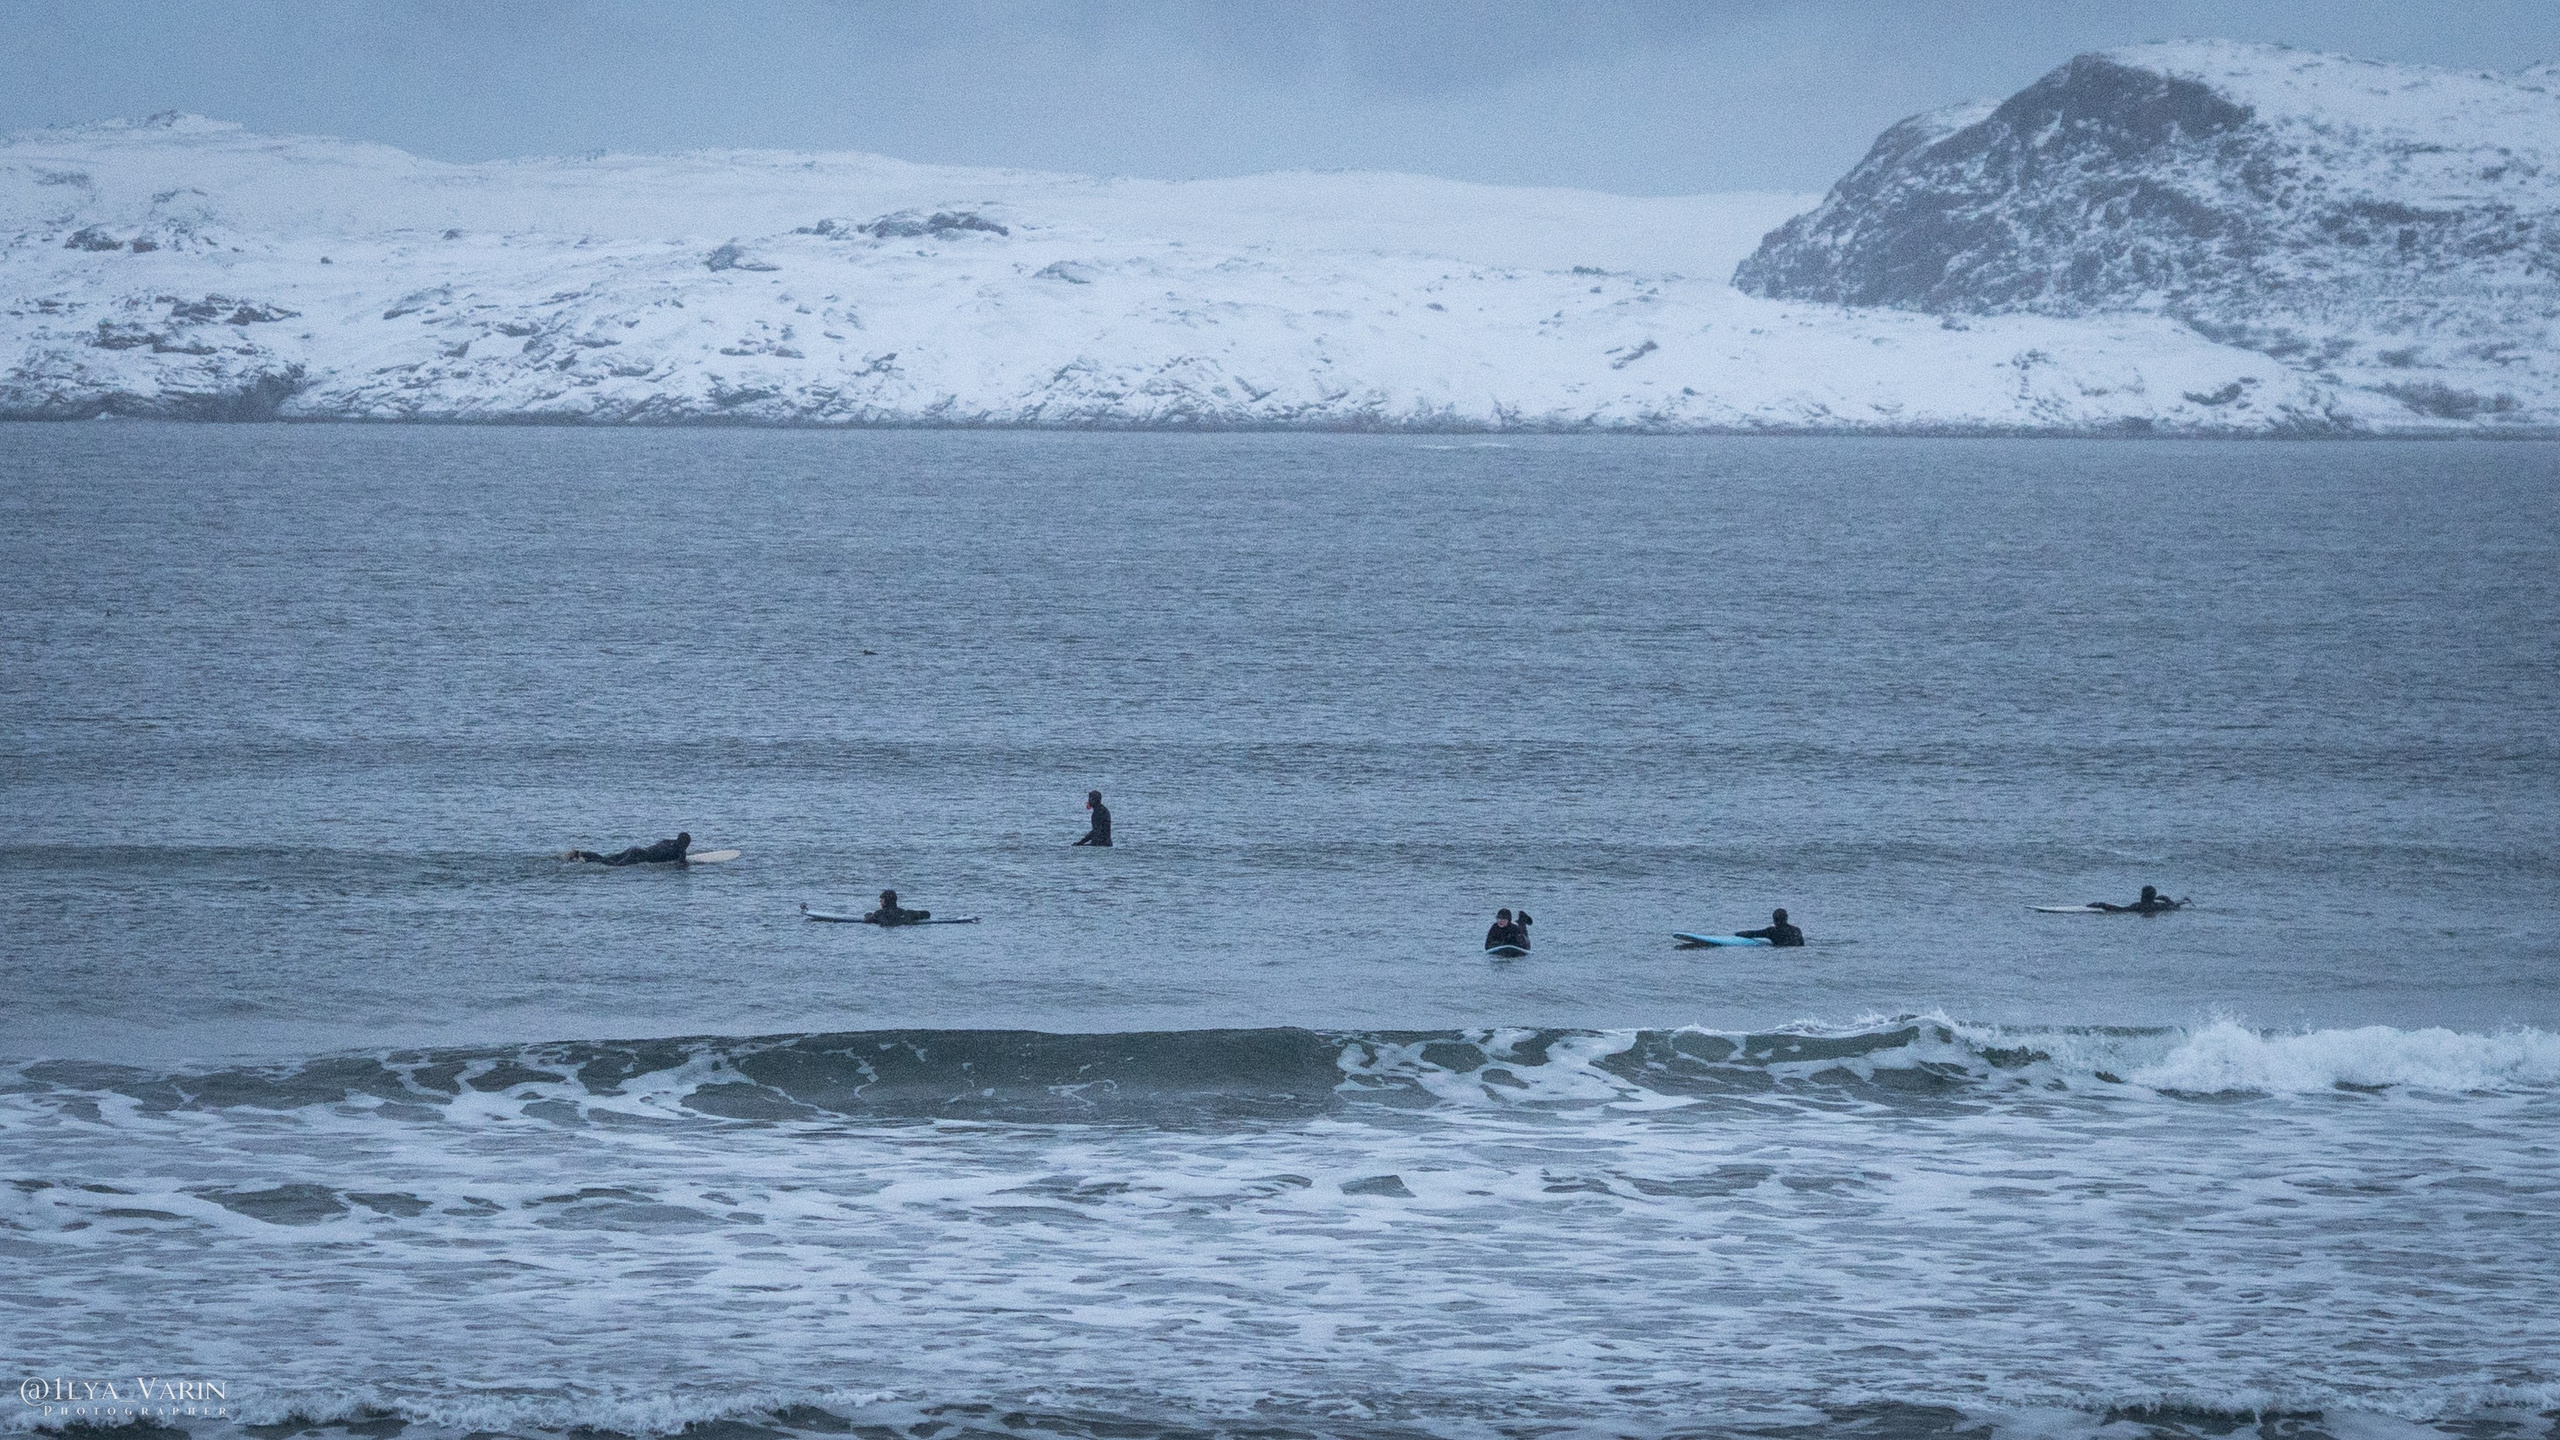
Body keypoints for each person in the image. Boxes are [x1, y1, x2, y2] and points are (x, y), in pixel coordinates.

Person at [570, 831, 691, 866]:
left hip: (636, 849)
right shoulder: (680, 851)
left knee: (607, 858)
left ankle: (580, 853)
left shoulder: (667, 841)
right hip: (640, 855)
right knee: (615, 865)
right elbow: (682, 865)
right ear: (685, 844)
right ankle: (584, 860)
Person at [2093, 885, 2185, 915]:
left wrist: (2102, 905)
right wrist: (2166, 899)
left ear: (2143, 895)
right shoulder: (2160, 906)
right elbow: (2175, 906)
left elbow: (2121, 910)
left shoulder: (2138, 906)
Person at [1736, 907, 1805, 947]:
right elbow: (1802, 944)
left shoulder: (1772, 931)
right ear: (1786, 918)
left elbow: (1752, 934)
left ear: (1774, 920)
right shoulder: (1796, 930)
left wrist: (1737, 934)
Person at [865, 889, 931, 925]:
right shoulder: (904, 913)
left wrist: (868, 914)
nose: (880, 903)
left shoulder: (879, 913)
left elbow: (868, 920)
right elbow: (927, 914)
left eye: (881, 901)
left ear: (885, 902)